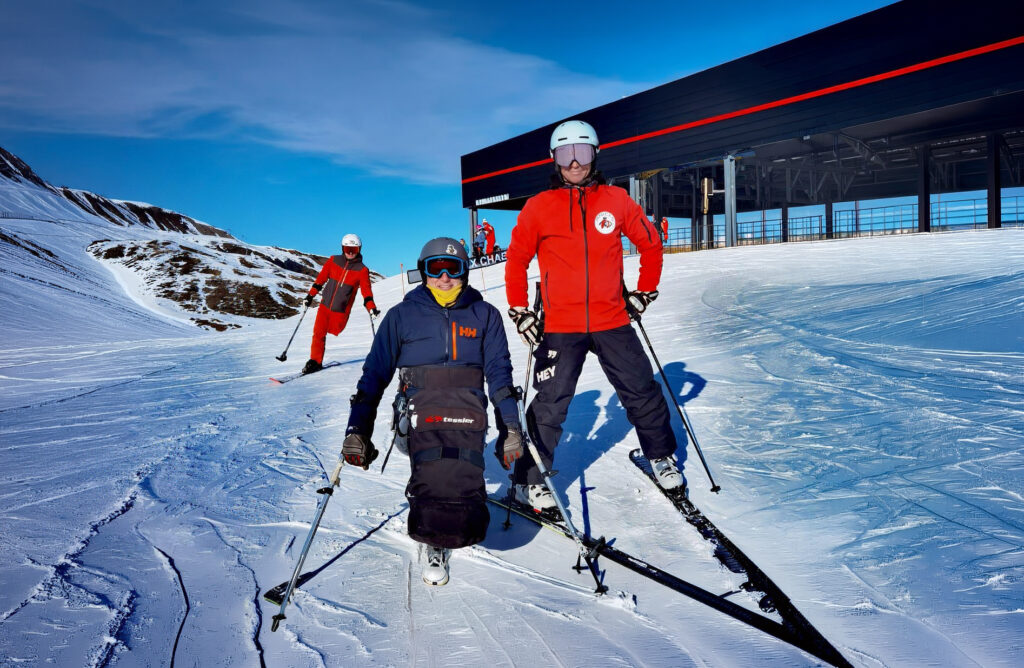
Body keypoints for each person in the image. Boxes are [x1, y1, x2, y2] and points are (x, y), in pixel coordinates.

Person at [504, 119, 684, 516]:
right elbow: (516, 260)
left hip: (612, 319)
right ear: (554, 160)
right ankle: (529, 481)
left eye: (581, 153)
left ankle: (660, 456)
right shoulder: (538, 207)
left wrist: (644, 292)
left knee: (641, 390)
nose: (574, 163)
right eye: (565, 155)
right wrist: (518, 310)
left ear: (595, 155)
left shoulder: (616, 200)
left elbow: (651, 244)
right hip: (559, 325)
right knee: (549, 403)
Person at [338, 237, 524, 586]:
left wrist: (510, 426)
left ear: (465, 271)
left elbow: (500, 373)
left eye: (452, 268)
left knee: (462, 464)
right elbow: (375, 374)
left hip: (468, 415)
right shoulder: (401, 316)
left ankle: (458, 515)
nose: (443, 277)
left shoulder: (485, 315)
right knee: (433, 469)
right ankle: (434, 539)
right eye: (433, 268)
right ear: (421, 272)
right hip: (419, 415)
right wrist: (356, 429)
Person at [302, 233, 379, 375]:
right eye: (347, 248)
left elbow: (366, 292)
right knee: (318, 333)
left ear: (359, 250)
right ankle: (315, 361)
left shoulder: (362, 270)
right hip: (325, 306)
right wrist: (310, 296)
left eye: (353, 250)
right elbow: (321, 279)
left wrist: (371, 308)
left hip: (340, 311)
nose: (350, 253)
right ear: (342, 248)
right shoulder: (333, 261)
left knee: (334, 330)